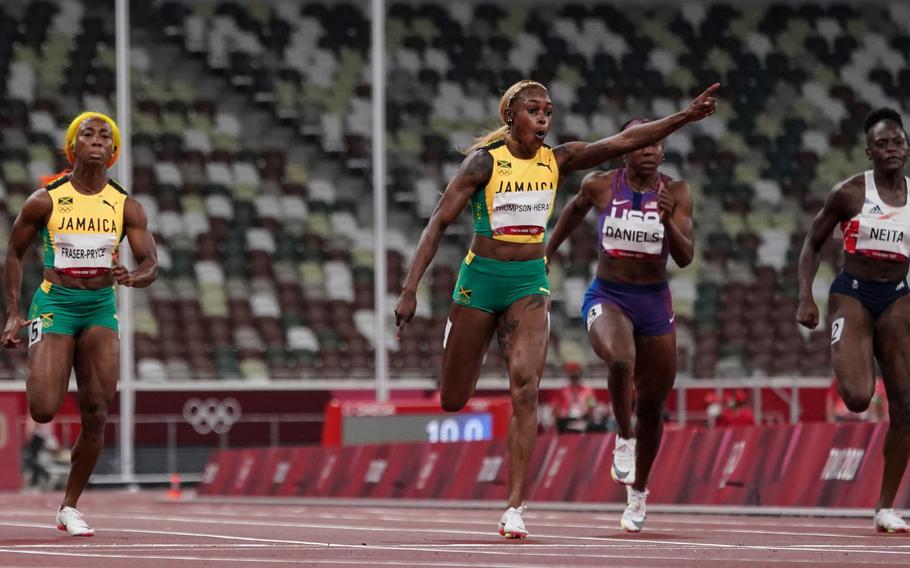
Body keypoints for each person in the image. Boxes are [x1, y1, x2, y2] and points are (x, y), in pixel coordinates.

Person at [395, 80, 718, 538]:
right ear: (511, 116)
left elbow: (623, 141)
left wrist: (685, 116)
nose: (544, 118)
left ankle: (514, 508)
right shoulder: (483, 163)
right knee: (453, 399)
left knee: (525, 390)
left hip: (529, 283)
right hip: (480, 282)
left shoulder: (559, 160)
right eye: (534, 110)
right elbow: (437, 223)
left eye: (548, 111)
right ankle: (456, 350)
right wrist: (410, 290)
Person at [2, 111, 158, 536]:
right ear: (73, 148)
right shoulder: (46, 199)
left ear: (113, 151)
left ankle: (69, 506)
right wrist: (14, 313)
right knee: (44, 408)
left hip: (100, 306)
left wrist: (135, 276)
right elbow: (13, 254)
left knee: (97, 409)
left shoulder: (126, 206)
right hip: (56, 303)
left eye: (104, 136)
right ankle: (41, 356)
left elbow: (150, 263)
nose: (96, 140)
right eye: (86, 134)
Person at [545, 118, 695, 532]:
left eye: (656, 143)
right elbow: (573, 211)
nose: (649, 149)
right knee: (621, 360)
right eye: (641, 142)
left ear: (662, 151)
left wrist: (666, 222)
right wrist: (545, 253)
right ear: (627, 147)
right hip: (608, 296)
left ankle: (639, 493)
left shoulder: (677, 192)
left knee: (653, 406)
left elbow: (685, 258)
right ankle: (623, 436)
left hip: (654, 303)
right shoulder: (600, 185)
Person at [797, 107, 910, 533]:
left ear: (907, 147)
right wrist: (805, 297)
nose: (891, 149)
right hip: (852, 295)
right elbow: (812, 243)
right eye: (882, 144)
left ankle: (885, 506)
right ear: (869, 151)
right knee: (860, 398)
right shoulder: (849, 194)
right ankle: (848, 350)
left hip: (898, 296)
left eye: (897, 141)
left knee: (906, 405)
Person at [554, 361, 598, 433]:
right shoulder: (562, 390)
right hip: (566, 420)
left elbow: (592, 405)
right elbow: (556, 409)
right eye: (570, 371)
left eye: (575, 371)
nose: (573, 374)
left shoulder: (588, 390)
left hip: (583, 419)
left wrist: (589, 415)